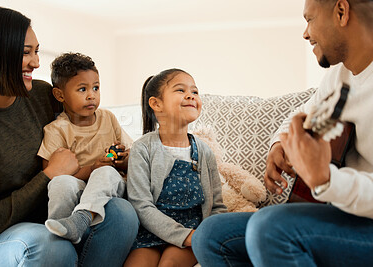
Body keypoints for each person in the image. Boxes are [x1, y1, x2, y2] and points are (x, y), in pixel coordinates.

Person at [191, 0, 373, 266]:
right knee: (210, 235)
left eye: (309, 19)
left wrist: (326, 180)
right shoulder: (340, 76)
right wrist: (279, 144)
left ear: (341, 12)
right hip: (343, 214)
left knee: (270, 228)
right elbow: (301, 115)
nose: (305, 33)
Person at [0, 7, 138, 267]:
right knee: (48, 244)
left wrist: (116, 157)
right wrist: (49, 174)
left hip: (58, 213)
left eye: (36, 51)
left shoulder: (41, 94)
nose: (36, 63)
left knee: (122, 214)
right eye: (26, 52)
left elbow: (85, 129)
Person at [124, 69, 227, 267]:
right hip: (151, 232)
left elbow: (217, 206)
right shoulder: (143, 148)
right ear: (156, 104)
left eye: (195, 92)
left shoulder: (204, 151)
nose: (191, 95)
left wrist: (202, 236)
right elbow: (141, 205)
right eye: (180, 90)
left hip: (193, 232)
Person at [37, 52, 133, 245]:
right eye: (82, 89)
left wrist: (124, 160)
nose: (92, 95)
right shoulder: (56, 129)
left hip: (109, 187)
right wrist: (91, 169)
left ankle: (80, 220)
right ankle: (59, 236)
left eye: (96, 88)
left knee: (106, 171)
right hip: (80, 186)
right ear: (60, 95)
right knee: (60, 184)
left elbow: (133, 156)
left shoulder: (108, 118)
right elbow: (50, 174)